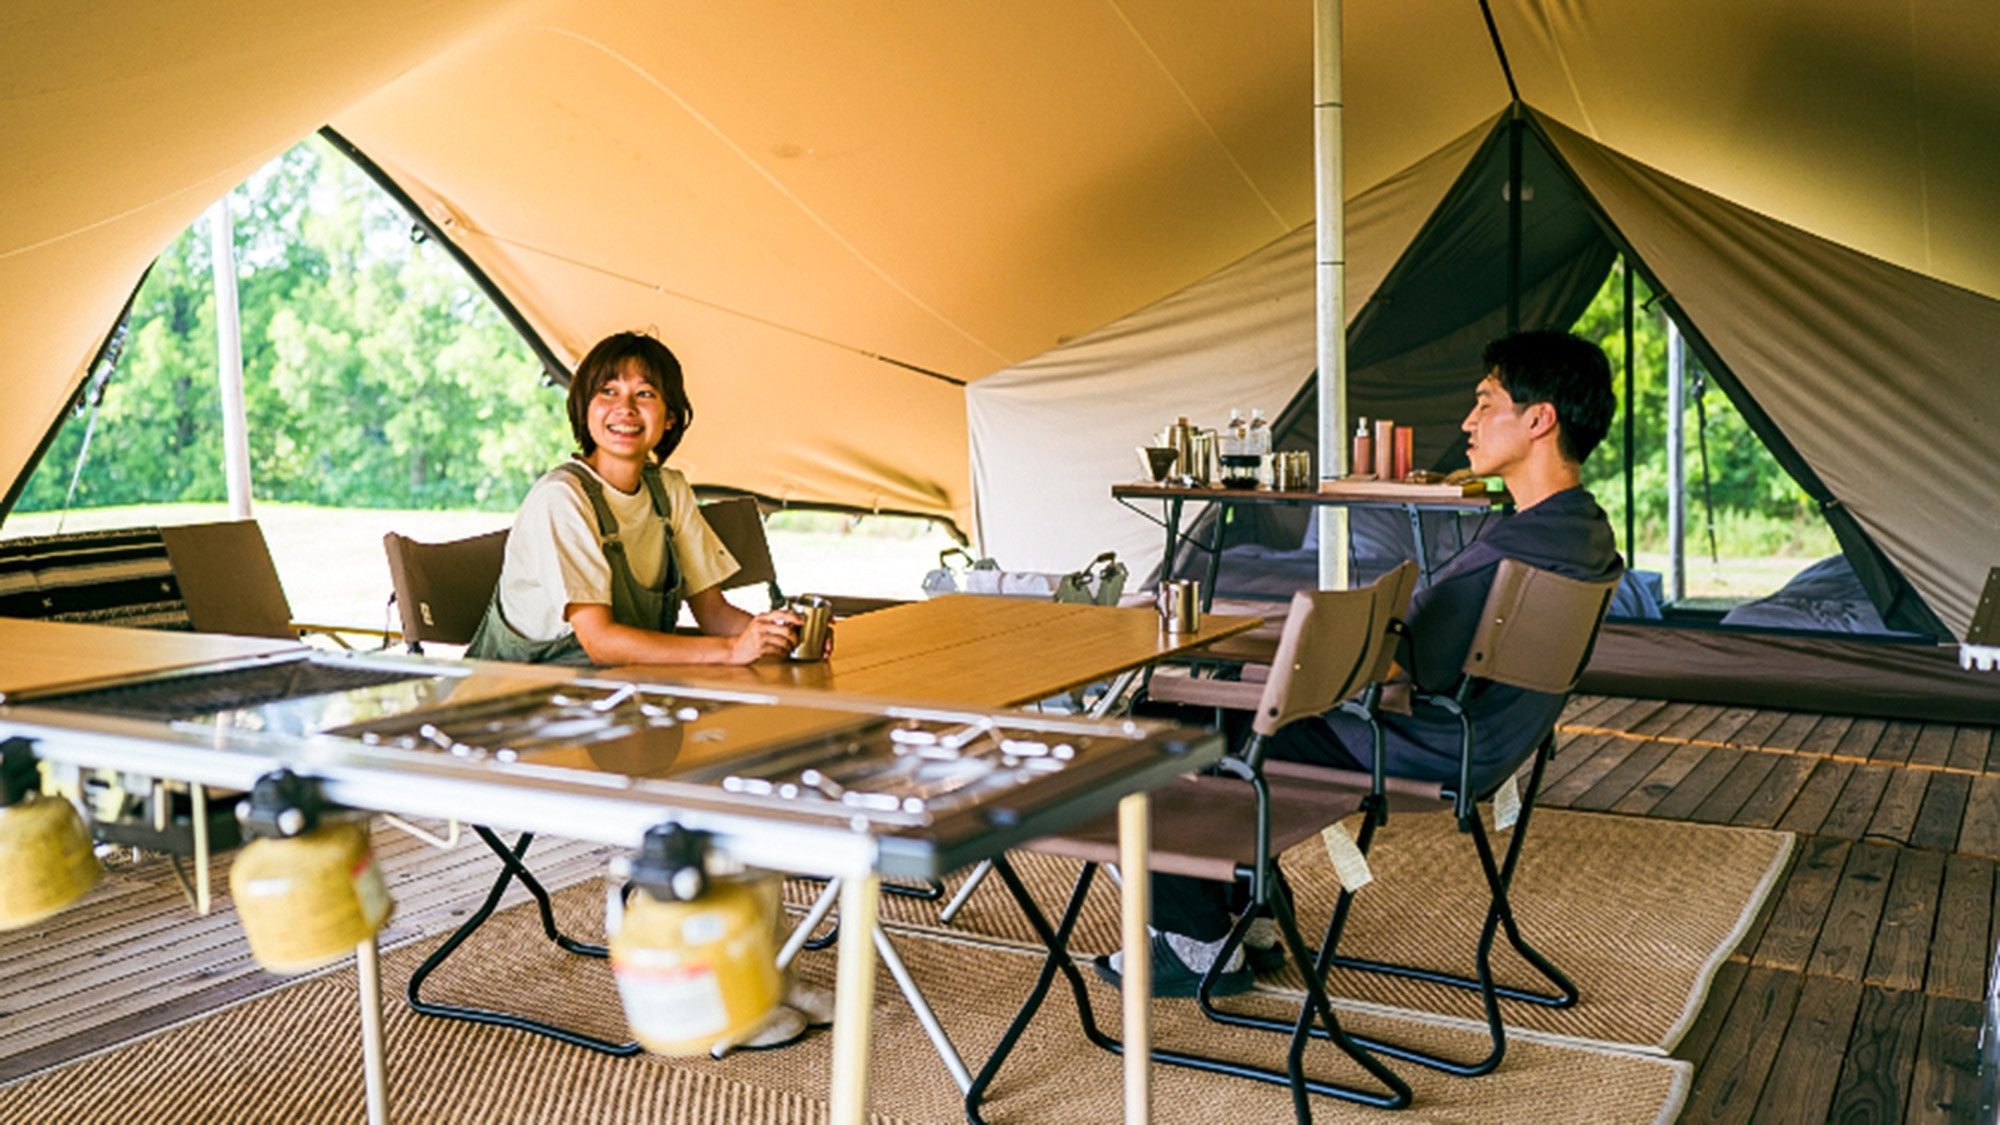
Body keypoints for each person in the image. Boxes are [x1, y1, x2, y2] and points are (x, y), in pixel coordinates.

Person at [1107, 329, 1625, 997]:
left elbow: (1400, 661)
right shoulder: (1581, 529)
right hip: (1482, 741)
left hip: (1419, 741)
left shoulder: (1517, 549)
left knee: (1159, 723)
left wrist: (1289, 652)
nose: (1468, 422)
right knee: (1221, 699)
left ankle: (1200, 940)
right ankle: (1252, 917)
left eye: (1485, 403)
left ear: (1539, 418)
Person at [467, 331, 813, 666]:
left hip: (617, 691)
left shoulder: (670, 491)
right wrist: (731, 650)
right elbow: (600, 643)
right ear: (584, 407)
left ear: (670, 418)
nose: (626, 408)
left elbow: (713, 613)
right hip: (522, 700)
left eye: (645, 393)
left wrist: (780, 636)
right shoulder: (562, 498)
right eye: (608, 391)